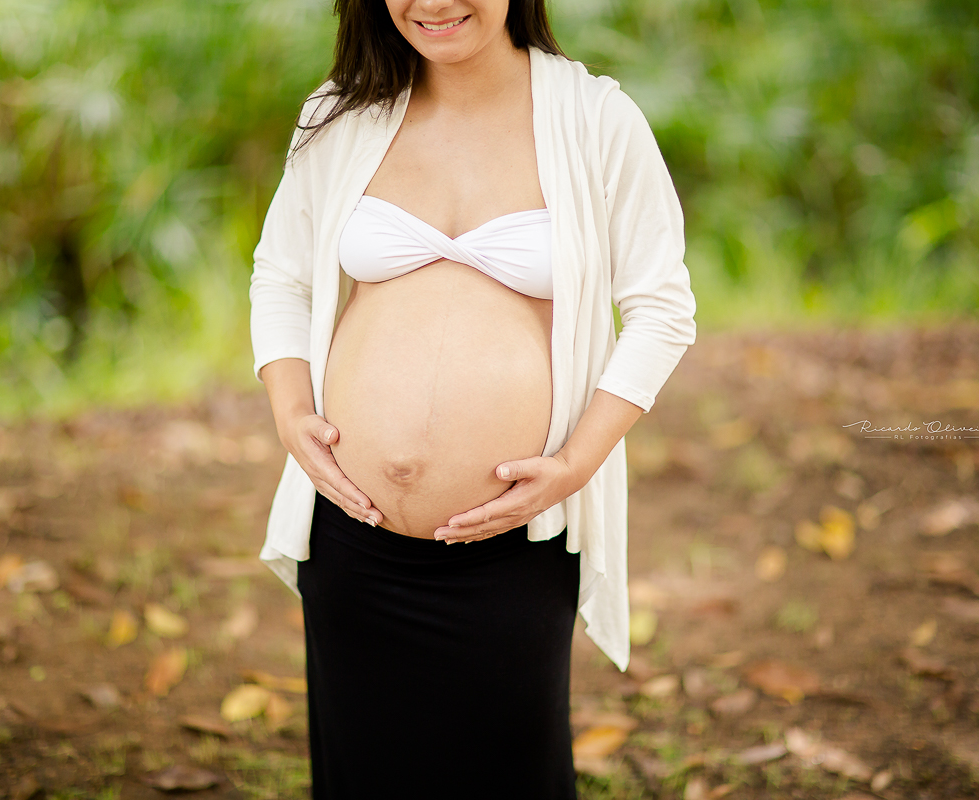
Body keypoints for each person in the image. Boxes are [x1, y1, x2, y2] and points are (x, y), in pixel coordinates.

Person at [248, 1, 696, 797]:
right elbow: (280, 274)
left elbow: (662, 310)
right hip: (354, 541)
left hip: (513, 550)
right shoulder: (342, 113)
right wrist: (290, 414)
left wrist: (574, 464)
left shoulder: (597, 120)